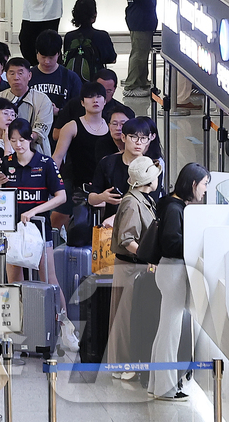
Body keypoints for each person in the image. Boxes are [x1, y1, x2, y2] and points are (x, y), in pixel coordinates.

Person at [150, 162, 210, 402]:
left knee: (165, 329)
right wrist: (194, 244)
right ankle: (165, 388)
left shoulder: (169, 204)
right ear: (193, 184)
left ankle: (156, 384)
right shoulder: (175, 209)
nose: (205, 190)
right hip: (173, 270)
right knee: (170, 331)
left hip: (167, 270)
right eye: (204, 184)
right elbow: (171, 244)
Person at [0, 118, 66, 281]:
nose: (18, 145)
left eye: (22, 140)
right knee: (14, 282)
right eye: (13, 140)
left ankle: (58, 302)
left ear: (30, 138)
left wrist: (33, 211)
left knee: (49, 280)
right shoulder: (6, 163)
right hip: (13, 230)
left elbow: (61, 197)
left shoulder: (46, 163)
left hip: (40, 229)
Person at [106, 153, 159, 376]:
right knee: (124, 317)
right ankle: (121, 364)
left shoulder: (143, 200)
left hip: (135, 266)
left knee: (130, 315)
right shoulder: (132, 202)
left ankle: (126, 363)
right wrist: (148, 256)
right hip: (129, 267)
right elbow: (127, 240)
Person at [49, 81, 110, 229]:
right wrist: (51, 182)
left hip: (104, 181)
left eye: (99, 96)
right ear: (82, 102)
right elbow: (57, 157)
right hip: (75, 179)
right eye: (90, 97)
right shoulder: (71, 126)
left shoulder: (111, 125)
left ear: (105, 101)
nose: (95, 100)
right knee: (58, 217)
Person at [0, 58, 55, 155]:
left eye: (20, 73)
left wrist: (21, 141)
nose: (16, 77)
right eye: (12, 73)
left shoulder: (43, 100)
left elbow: (41, 130)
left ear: (29, 76)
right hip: (1, 152)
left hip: (36, 153)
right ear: (6, 76)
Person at [124, 0, 157, 96]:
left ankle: (142, 82)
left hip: (138, 21)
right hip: (140, 22)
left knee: (142, 53)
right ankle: (131, 86)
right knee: (138, 54)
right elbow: (147, 2)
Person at [62, 0, 117, 80]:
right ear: (94, 15)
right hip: (95, 81)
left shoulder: (69, 36)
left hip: (72, 81)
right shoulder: (102, 35)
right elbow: (111, 59)